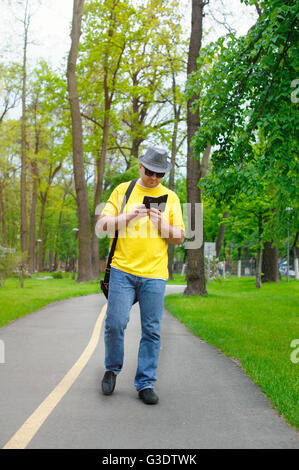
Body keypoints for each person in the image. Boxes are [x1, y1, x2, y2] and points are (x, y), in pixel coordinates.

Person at [97, 147, 185, 405]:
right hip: (122, 271)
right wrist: (127, 216)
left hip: (155, 275)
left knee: (152, 330)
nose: (154, 178)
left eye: (160, 174)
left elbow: (180, 237)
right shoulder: (123, 191)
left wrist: (162, 224)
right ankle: (112, 369)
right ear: (140, 167)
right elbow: (101, 226)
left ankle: (145, 383)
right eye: (150, 172)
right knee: (115, 324)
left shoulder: (170, 198)